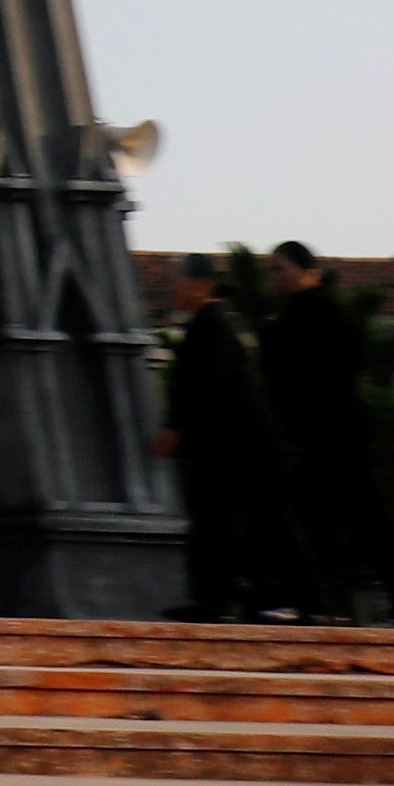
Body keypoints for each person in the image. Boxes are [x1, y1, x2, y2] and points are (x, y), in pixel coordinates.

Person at [154, 251, 310, 621]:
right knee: (223, 520)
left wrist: (177, 428)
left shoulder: (212, 327)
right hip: (233, 446)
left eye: (178, 280)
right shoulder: (208, 326)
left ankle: (290, 600)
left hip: (242, 447)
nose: (173, 289)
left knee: (263, 522)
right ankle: (219, 598)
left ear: (203, 285)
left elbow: (209, 389)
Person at [258, 242, 391, 621]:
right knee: (315, 519)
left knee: (359, 519)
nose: (274, 277)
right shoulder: (300, 317)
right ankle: (313, 601)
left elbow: (325, 377)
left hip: (330, 435)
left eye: (280, 269)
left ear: (306, 270)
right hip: (318, 436)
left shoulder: (322, 316)